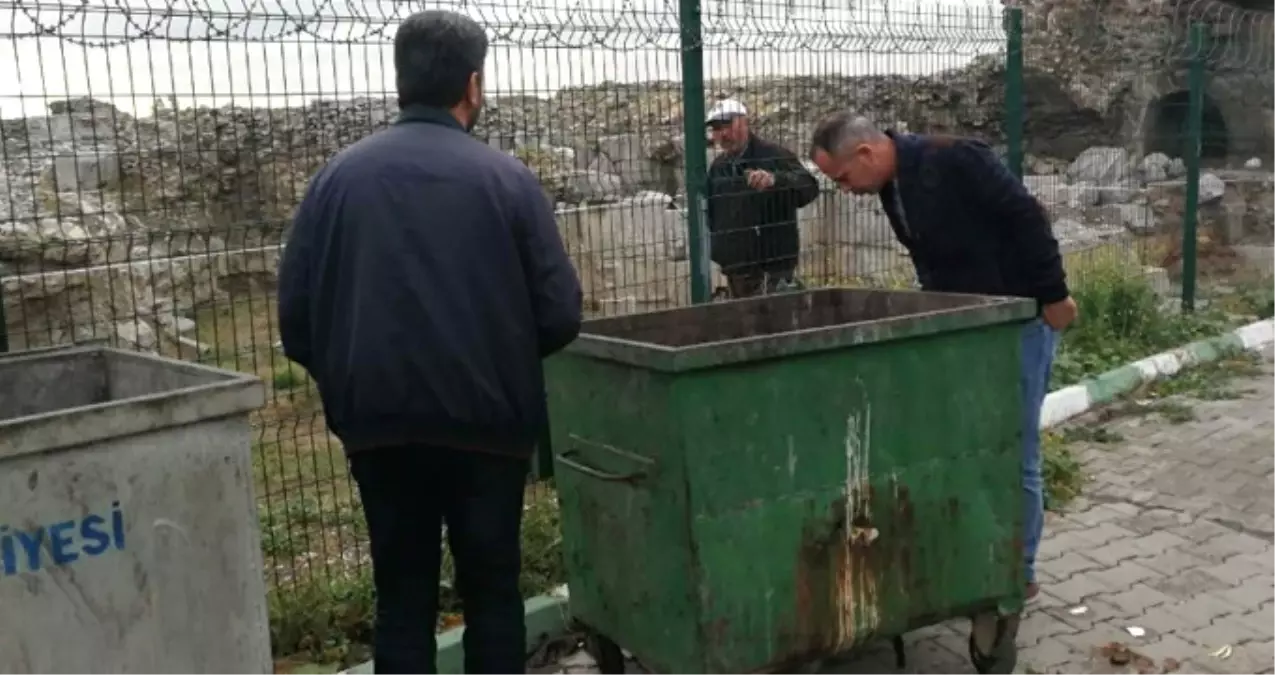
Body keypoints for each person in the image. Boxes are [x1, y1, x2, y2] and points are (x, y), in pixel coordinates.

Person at [276, 10, 583, 675]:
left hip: (378, 430)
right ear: (473, 84)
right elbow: (559, 314)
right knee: (494, 593)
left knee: (401, 598)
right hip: (488, 430)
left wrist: (353, 383)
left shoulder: (335, 181)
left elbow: (295, 322)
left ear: (399, 81)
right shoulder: (506, 180)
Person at [808, 112, 1079, 601]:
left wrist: (1054, 296)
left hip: (1017, 322)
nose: (845, 190)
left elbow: (1026, 216)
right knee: (969, 444)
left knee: (1016, 451)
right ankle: (977, 554)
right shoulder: (893, 186)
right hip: (965, 330)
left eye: (844, 178)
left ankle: (1019, 571)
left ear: (865, 153)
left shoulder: (953, 159)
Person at [704, 98, 820, 298]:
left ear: (744, 122)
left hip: (771, 269)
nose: (722, 134)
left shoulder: (773, 155)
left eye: (727, 125)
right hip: (735, 270)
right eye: (716, 129)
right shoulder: (718, 167)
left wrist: (775, 181)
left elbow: (809, 187)